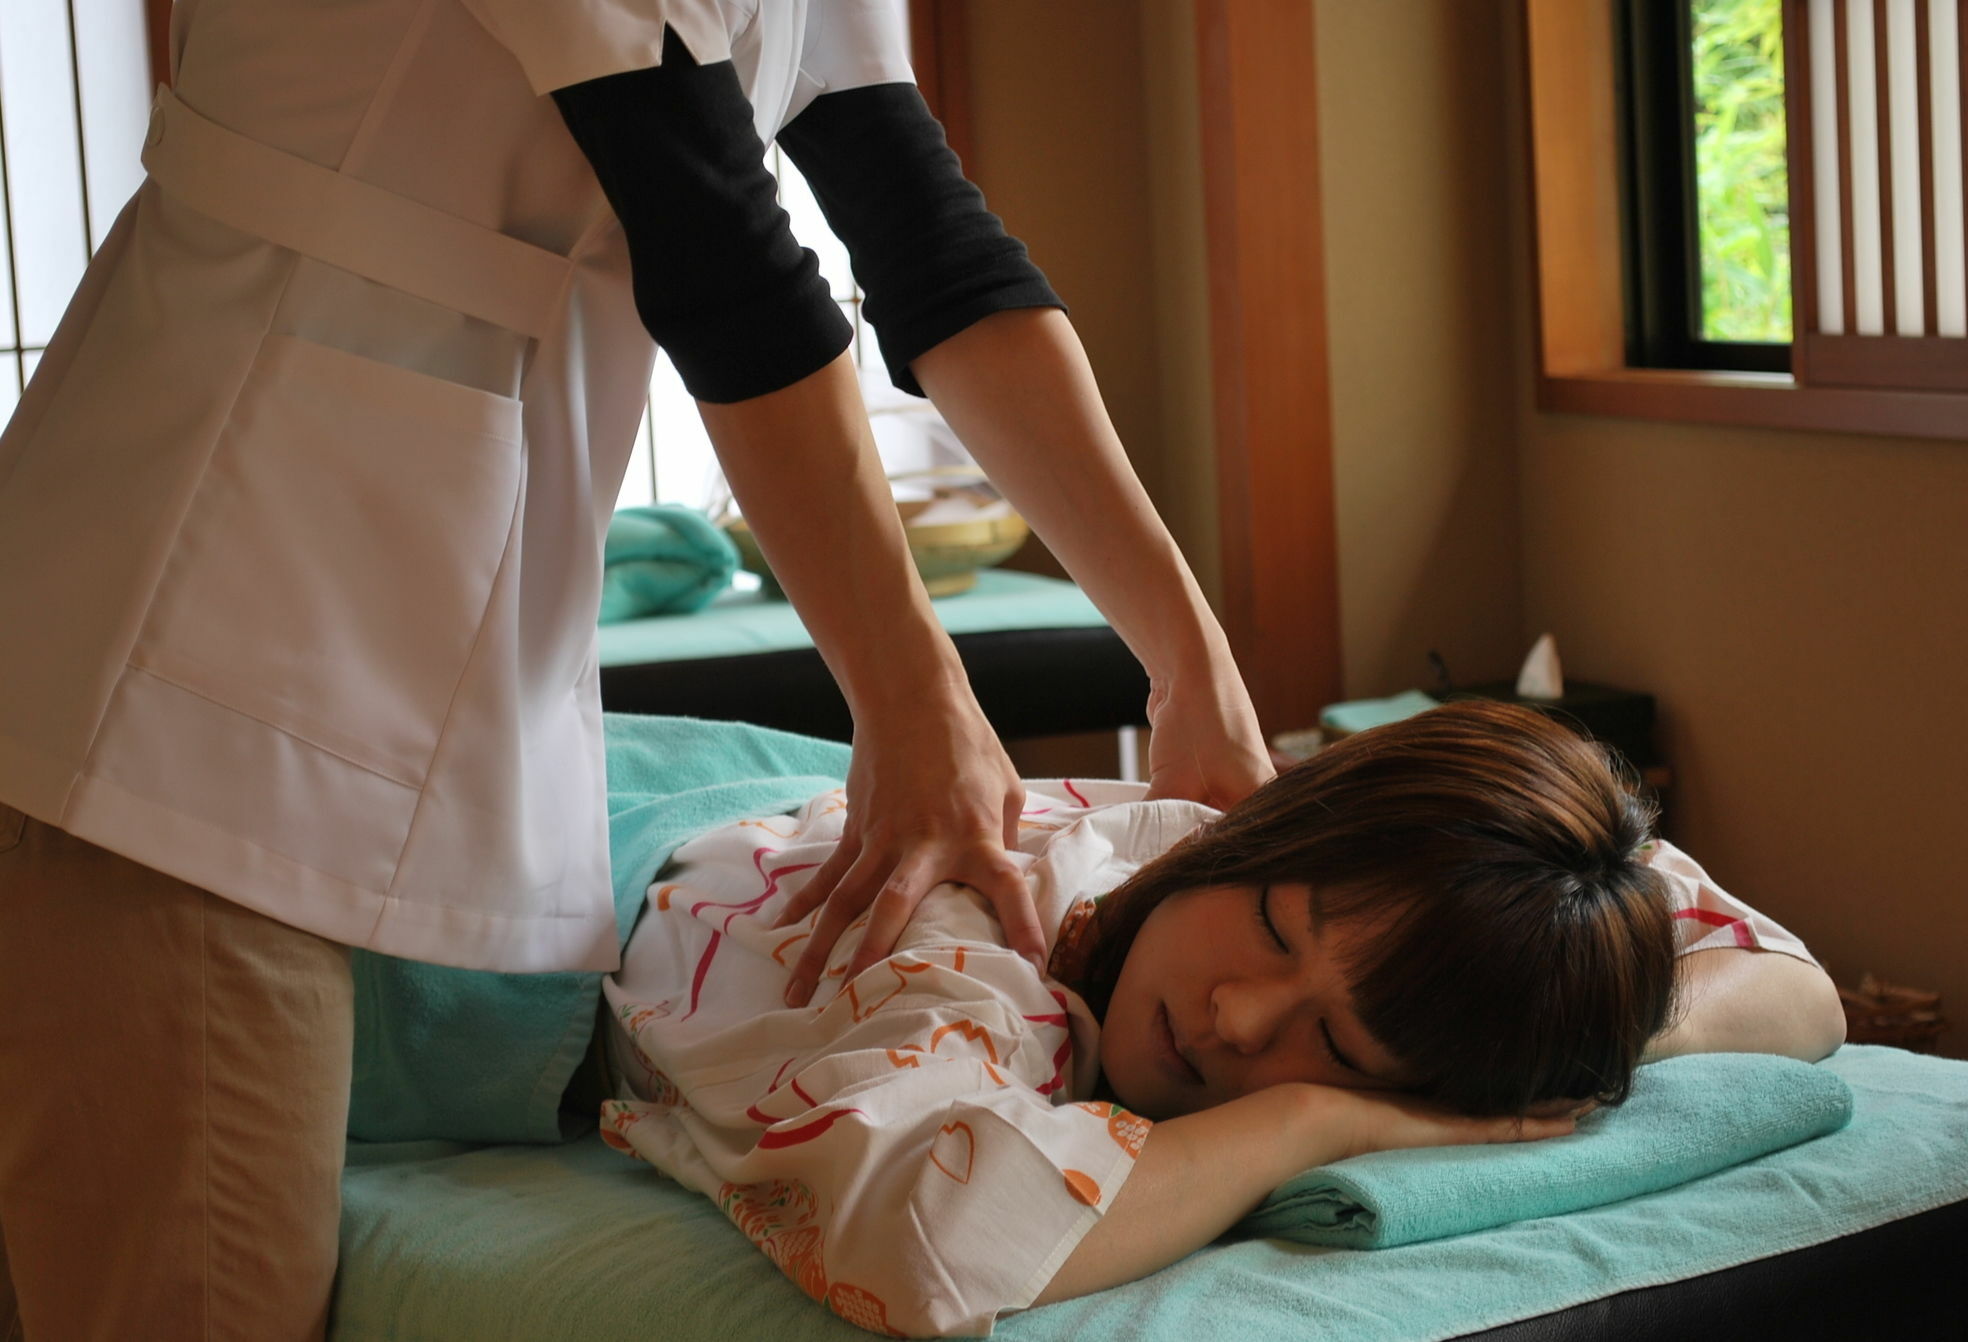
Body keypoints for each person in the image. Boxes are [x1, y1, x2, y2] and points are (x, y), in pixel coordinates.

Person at [0, 2, 1268, 1336]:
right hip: (179, 650)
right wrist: (914, 695)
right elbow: (720, 250)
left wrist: (1196, 671)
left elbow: (931, 243)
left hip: (378, 652)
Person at [587, 701, 1848, 1336]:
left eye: (1342, 1039)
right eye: (1270, 927)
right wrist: (1325, 1107)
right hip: (572, 863)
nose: (1236, 1017)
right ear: (1271, 821)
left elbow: (1793, 987)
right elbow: (933, 1238)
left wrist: (1565, 1054)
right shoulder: (982, 945)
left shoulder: (1409, 904)